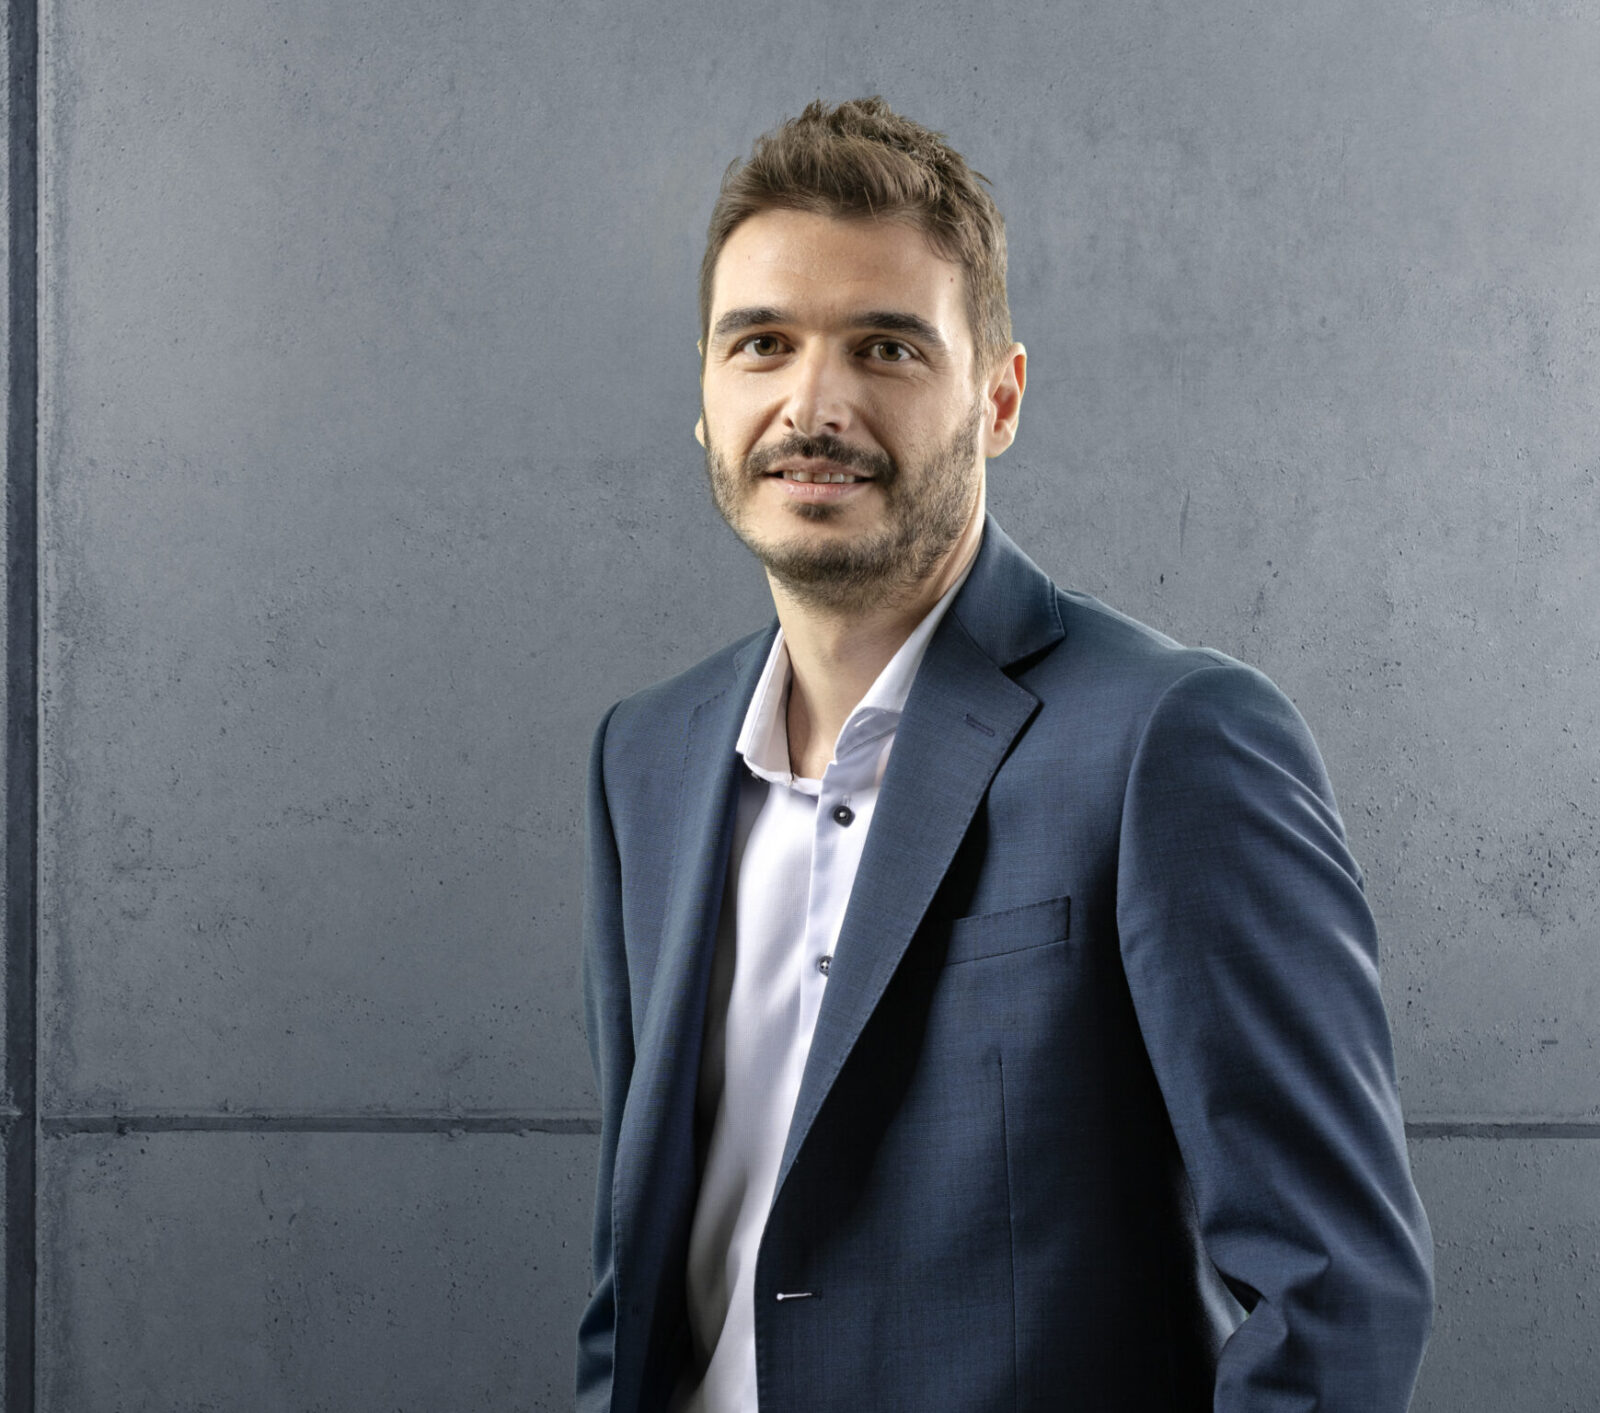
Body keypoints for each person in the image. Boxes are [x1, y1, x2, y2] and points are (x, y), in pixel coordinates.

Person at [577, 97, 1433, 1413]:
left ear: (999, 397)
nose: (813, 403)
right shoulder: (647, 757)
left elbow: (1341, 1293)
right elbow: (635, 1281)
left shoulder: (1171, 741)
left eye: (886, 347)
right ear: (705, 394)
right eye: (763, 344)